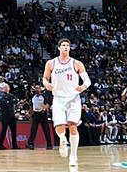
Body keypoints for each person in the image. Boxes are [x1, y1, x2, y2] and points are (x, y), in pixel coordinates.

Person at [42, 38, 91, 168]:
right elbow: (45, 78)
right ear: (59, 48)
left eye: (67, 45)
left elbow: (87, 81)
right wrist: (47, 84)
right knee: (59, 127)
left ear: (69, 48)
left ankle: (73, 156)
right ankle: (63, 140)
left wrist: (83, 87)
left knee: (72, 125)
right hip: (58, 99)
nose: (65, 47)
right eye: (63, 45)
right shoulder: (51, 63)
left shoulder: (76, 63)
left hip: (73, 99)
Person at [26, 84, 52, 150]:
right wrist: (30, 114)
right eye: (36, 88)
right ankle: (30, 144)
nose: (37, 89)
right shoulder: (32, 97)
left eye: (38, 88)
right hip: (35, 114)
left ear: (40, 89)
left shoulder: (44, 96)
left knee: (46, 130)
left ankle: (49, 144)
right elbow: (31, 106)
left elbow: (48, 104)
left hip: (42, 114)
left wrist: (45, 108)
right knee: (33, 130)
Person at [0, 84, 19, 149]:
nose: (6, 88)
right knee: (4, 130)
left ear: (9, 88)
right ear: (3, 89)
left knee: (14, 131)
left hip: (12, 115)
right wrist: (11, 102)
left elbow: (16, 101)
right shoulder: (2, 95)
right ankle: (0, 145)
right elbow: (4, 103)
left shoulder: (11, 95)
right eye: (5, 87)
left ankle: (14, 145)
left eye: (7, 87)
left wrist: (9, 102)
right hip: (5, 115)